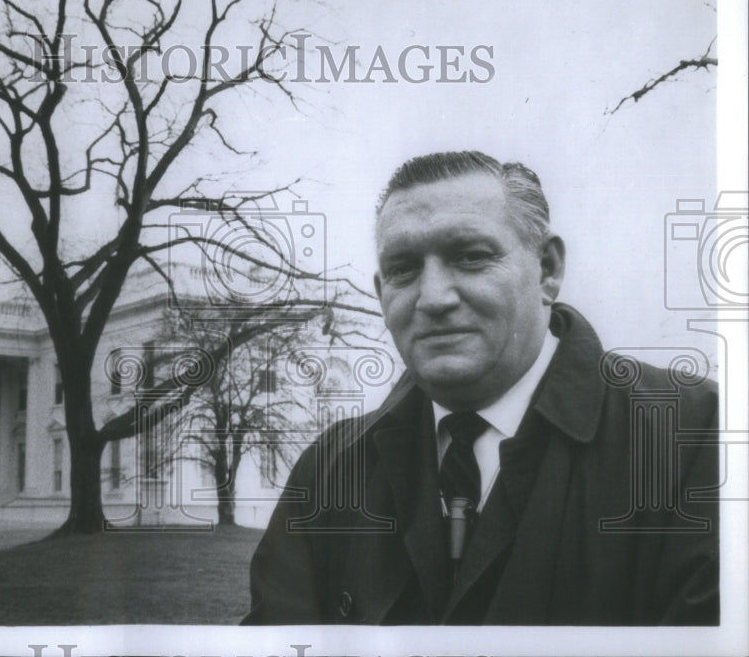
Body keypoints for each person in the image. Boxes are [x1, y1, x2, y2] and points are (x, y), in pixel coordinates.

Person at [243, 151, 718, 625]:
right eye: (403, 268)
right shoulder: (331, 470)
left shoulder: (696, 437)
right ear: (381, 292)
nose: (433, 298)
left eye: (471, 257)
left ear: (547, 269)